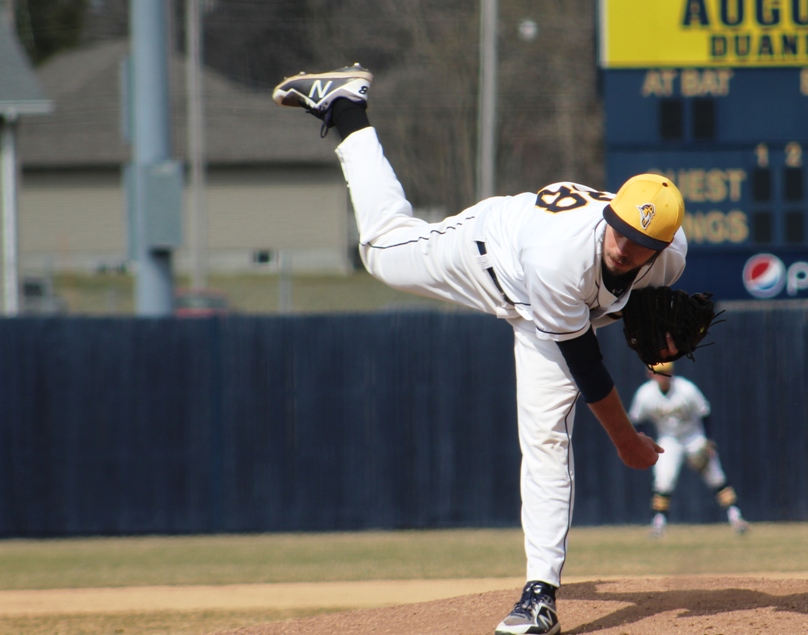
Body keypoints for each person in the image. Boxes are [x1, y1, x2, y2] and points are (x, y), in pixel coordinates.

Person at [273, 64, 688, 635]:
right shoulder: (562, 255)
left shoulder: (669, 256)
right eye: (619, 229)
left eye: (641, 243)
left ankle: (539, 595)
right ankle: (345, 106)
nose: (624, 246)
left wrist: (650, 338)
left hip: (554, 309)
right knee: (381, 250)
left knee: (545, 439)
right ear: (609, 213)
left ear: (661, 246)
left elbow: (641, 307)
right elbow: (586, 365)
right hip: (492, 252)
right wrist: (626, 441)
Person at [628, 361, 749, 537]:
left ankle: (736, 517)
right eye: (659, 372)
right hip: (668, 440)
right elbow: (637, 420)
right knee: (663, 480)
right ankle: (658, 524)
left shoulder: (686, 389)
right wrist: (643, 442)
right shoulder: (645, 394)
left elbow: (704, 413)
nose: (663, 375)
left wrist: (708, 441)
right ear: (650, 374)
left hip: (693, 437)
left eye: (666, 371)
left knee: (716, 477)